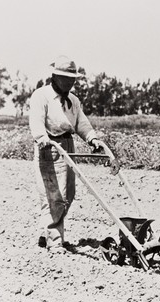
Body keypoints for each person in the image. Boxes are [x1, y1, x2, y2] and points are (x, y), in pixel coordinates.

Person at [29, 55, 104, 253]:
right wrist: (41, 138)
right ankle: (54, 240)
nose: (71, 82)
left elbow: (81, 123)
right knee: (55, 195)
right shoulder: (41, 95)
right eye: (67, 78)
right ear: (55, 76)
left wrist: (92, 139)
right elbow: (36, 121)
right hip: (49, 146)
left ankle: (48, 232)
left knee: (69, 193)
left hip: (68, 145)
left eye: (73, 79)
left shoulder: (73, 100)